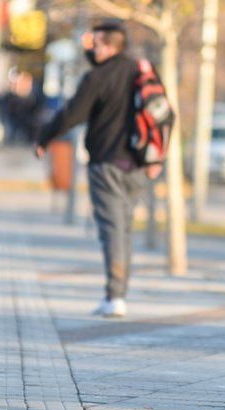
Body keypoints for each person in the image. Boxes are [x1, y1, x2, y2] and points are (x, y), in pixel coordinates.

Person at [35, 21, 160, 318]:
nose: (91, 48)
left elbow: (72, 113)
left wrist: (44, 138)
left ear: (108, 46)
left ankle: (115, 297)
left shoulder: (98, 77)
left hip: (107, 163)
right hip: (137, 164)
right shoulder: (143, 72)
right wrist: (156, 158)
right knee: (124, 228)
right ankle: (119, 293)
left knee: (112, 229)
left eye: (95, 43)